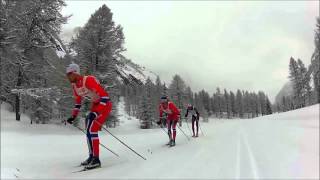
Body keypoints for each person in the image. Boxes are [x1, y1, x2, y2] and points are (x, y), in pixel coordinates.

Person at [65, 63, 112, 169]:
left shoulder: (88, 80)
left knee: (92, 129)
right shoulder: (75, 86)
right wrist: (73, 116)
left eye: (70, 74)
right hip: (95, 105)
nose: (68, 77)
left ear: (76, 73)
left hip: (104, 105)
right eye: (67, 75)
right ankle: (91, 156)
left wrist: (96, 113)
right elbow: (78, 103)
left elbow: (104, 97)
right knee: (88, 130)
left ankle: (96, 160)